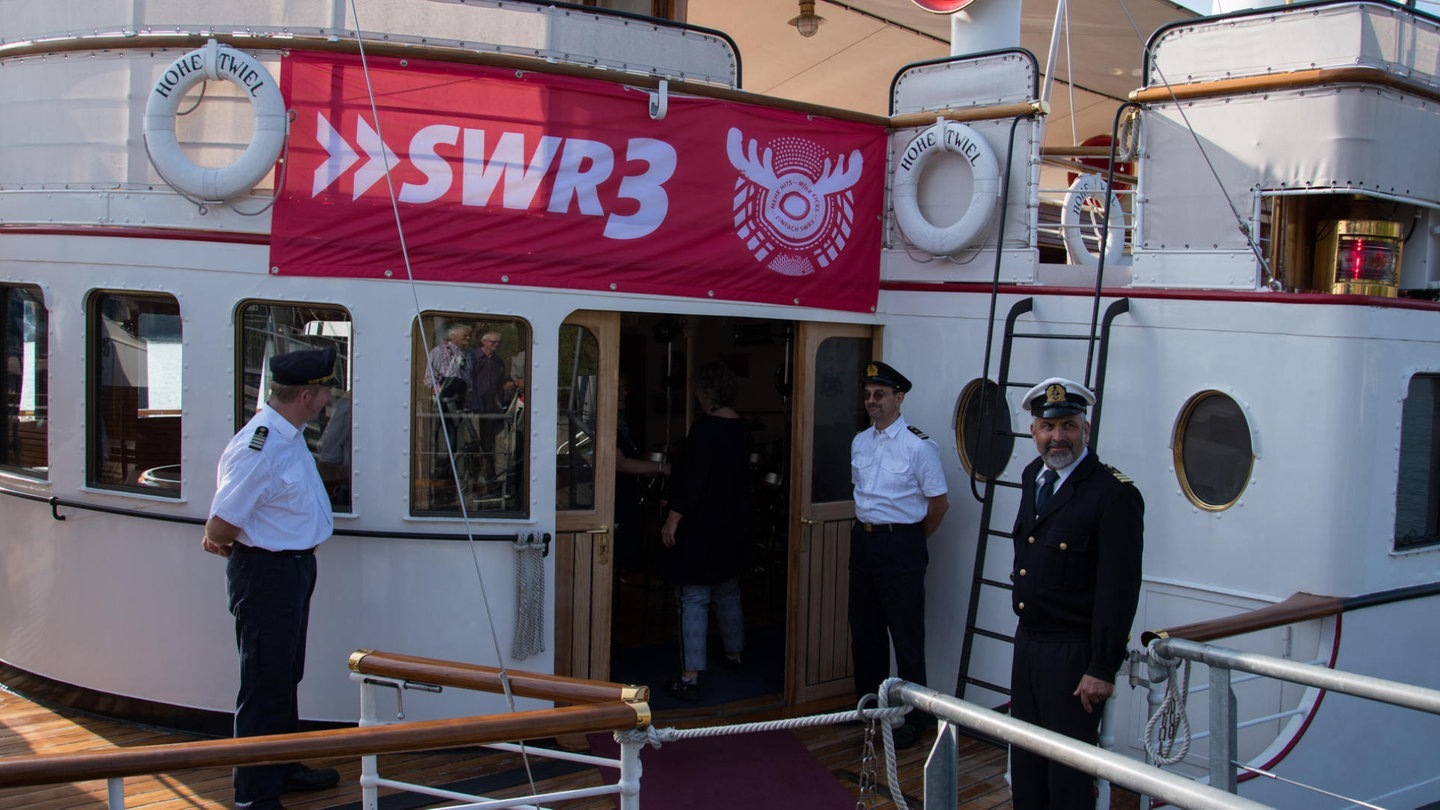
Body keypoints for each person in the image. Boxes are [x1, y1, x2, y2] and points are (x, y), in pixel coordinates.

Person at [202, 347, 343, 809]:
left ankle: (282, 765)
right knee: (264, 684)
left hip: (292, 569)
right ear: (306, 394)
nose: (328, 399)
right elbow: (220, 525)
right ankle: (254, 797)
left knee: (285, 675)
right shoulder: (259, 445)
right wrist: (235, 546)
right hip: (268, 574)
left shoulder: (288, 434)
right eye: (325, 391)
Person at [1009, 377, 1144, 810]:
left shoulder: (1113, 494)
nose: (1057, 437)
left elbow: (1118, 590)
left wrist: (1102, 666)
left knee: (1067, 777)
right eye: (1048, 428)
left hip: (1073, 658)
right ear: (1033, 431)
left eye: (1068, 425)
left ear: (1086, 428)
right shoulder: (1034, 476)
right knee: (1027, 762)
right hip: (1029, 645)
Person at [848, 361, 949, 748]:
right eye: (868, 395)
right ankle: (870, 712)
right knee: (865, 633)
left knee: (906, 637)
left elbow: (938, 504)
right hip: (865, 542)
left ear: (899, 398)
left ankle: (914, 719)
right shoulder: (860, 441)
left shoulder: (918, 446)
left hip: (901, 544)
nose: (873, 401)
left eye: (881, 395)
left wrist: (910, 541)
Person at [659, 361, 754, 701]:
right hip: (733, 524)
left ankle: (690, 675)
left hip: (701, 526)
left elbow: (693, 480)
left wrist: (673, 517)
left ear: (705, 392)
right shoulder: (742, 428)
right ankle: (735, 655)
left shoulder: (704, 429)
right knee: (728, 590)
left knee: (694, 597)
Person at [466, 331, 524, 487]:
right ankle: (472, 478)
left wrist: (514, 384)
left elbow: (500, 386)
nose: (496, 345)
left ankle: (490, 479)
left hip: (491, 408)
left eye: (498, 343)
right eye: (493, 342)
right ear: (483, 342)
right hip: (473, 407)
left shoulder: (498, 362)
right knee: (472, 444)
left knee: (489, 444)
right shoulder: (472, 358)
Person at [423, 323, 472, 476]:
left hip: (460, 402)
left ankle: (454, 473)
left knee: (459, 440)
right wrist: (440, 388)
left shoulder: (467, 355)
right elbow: (428, 378)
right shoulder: (438, 352)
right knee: (444, 439)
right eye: (465, 336)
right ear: (453, 336)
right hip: (443, 402)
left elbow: (469, 378)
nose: (468, 339)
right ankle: (442, 471)